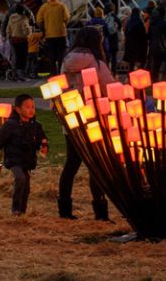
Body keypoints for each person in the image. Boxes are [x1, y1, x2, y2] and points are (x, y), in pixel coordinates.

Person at [57, 27, 114, 221]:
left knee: (71, 164)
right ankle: (100, 210)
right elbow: (109, 88)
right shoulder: (97, 64)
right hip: (92, 120)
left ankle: (64, 208)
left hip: (71, 120)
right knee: (96, 165)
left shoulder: (66, 62)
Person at [0, 94, 48, 216]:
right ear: (18, 109)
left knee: (26, 187)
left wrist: (43, 147)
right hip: (14, 159)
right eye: (27, 107)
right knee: (20, 178)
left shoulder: (36, 126)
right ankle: (15, 209)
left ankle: (22, 211)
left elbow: (41, 140)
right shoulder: (10, 125)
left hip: (27, 160)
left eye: (33, 107)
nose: (31, 110)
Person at [36, 0, 70, 75]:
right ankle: (61, 72)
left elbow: (39, 20)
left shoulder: (44, 7)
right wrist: (63, 26)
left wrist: (44, 29)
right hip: (61, 34)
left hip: (49, 35)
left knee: (51, 56)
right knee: (61, 55)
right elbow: (67, 18)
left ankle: (53, 73)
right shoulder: (62, 6)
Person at [4, 2, 34, 79]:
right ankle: (21, 75)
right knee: (23, 57)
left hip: (13, 40)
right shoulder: (23, 18)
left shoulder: (11, 18)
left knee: (15, 57)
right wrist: (29, 31)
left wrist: (9, 35)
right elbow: (25, 29)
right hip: (22, 40)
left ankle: (15, 74)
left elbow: (8, 29)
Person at [121, 6, 146, 71]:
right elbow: (143, 35)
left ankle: (130, 75)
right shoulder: (140, 22)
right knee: (139, 63)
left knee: (131, 64)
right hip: (138, 46)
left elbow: (125, 32)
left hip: (129, 45)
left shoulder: (129, 22)